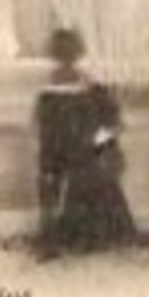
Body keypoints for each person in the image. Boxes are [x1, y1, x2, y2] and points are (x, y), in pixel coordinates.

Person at [35, 28, 136, 256]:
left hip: (66, 166)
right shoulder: (92, 89)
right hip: (90, 165)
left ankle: (60, 233)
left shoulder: (47, 96)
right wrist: (100, 142)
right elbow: (115, 123)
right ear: (78, 53)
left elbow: (47, 141)